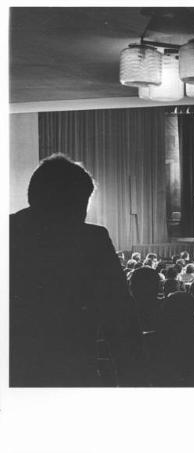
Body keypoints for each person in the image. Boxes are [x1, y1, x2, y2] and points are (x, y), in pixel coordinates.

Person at [10, 154, 141, 386]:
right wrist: (133, 383)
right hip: (74, 374)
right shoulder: (92, 241)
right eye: (83, 203)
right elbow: (121, 319)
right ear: (74, 203)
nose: (85, 213)